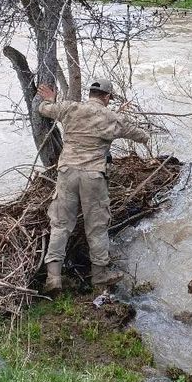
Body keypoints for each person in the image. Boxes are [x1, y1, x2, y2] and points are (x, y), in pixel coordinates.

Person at [36, 79, 150, 293]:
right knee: (96, 227)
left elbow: (44, 109)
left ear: (90, 94)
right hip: (93, 177)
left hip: (67, 173)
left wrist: (51, 99)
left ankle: (53, 277)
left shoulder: (71, 108)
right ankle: (99, 275)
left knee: (60, 225)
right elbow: (140, 135)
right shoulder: (112, 117)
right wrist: (144, 134)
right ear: (106, 97)